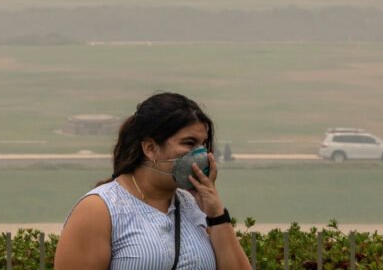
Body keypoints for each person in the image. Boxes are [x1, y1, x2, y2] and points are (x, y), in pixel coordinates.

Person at [54, 92, 251, 270]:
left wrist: (216, 214)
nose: (200, 154)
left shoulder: (195, 207)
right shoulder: (100, 209)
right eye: (188, 143)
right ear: (150, 148)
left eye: (203, 145)